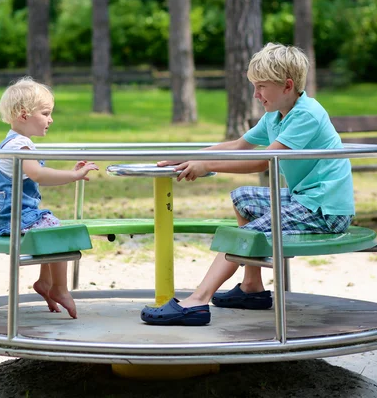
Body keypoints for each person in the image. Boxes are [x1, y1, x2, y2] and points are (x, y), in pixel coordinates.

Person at [141, 43, 355, 326]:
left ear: (287, 85)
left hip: (325, 210)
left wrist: (208, 166)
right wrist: (188, 158)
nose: (256, 95)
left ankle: (197, 302)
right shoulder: (276, 115)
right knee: (244, 197)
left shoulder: (307, 114)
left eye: (261, 87)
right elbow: (240, 145)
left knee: (245, 234)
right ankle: (252, 286)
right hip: (305, 199)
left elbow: (262, 161)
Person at [0, 77, 99, 319]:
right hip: (12, 217)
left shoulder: (15, 142)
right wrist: (74, 175)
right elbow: (38, 175)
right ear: (24, 115)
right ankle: (59, 287)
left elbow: (34, 173)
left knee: (48, 226)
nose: (51, 119)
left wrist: (71, 172)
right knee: (56, 230)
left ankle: (45, 283)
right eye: (46, 113)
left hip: (6, 215)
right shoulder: (19, 145)